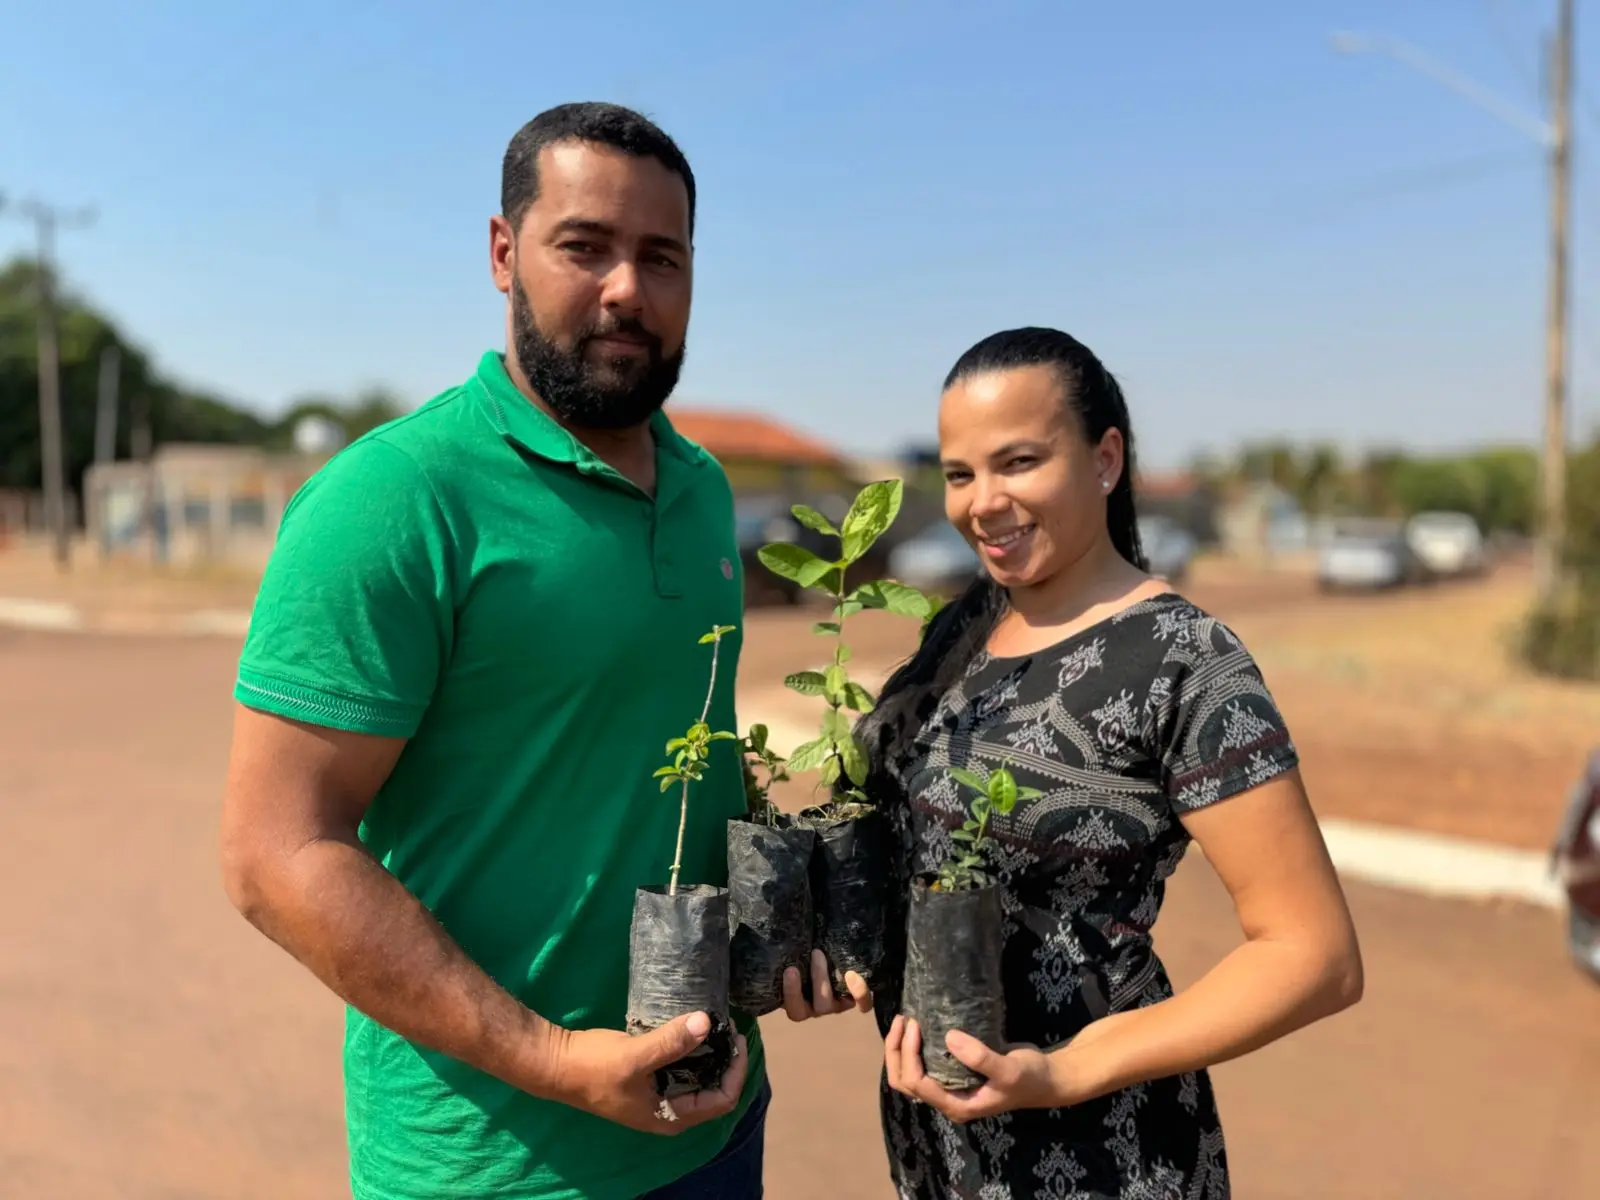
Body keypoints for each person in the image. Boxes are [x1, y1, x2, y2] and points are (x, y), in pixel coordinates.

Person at [218, 101, 855, 1200]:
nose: (626, 289)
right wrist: (554, 1059)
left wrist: (793, 916)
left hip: (710, 1124)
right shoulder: (395, 499)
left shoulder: (702, 490)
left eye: (661, 257)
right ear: (503, 253)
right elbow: (274, 855)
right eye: (584, 246)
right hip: (488, 1163)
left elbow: (655, 758)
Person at [856, 327, 1364, 1199]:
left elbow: (1314, 956)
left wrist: (1068, 1070)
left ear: (1105, 459)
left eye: (1019, 462)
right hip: (938, 1145)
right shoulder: (965, 628)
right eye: (960, 472)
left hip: (1106, 1155)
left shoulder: (1184, 659)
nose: (984, 501)